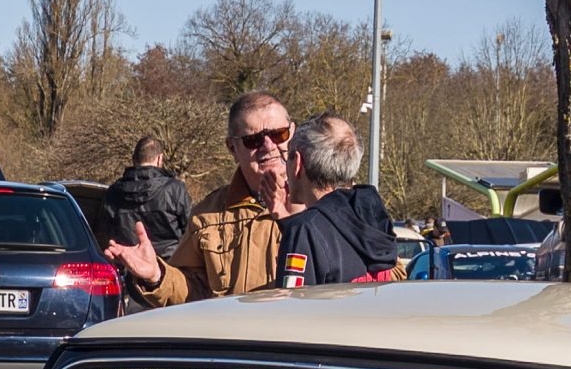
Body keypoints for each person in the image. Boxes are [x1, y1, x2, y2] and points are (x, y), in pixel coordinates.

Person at [106, 92, 299, 305]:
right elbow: (191, 292)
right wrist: (156, 276)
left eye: (279, 134)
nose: (268, 146)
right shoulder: (207, 216)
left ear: (293, 133)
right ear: (232, 148)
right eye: (253, 140)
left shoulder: (319, 205)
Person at [275, 115, 400, 286]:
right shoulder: (374, 219)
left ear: (297, 163)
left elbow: (292, 301)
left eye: (286, 158)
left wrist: (295, 231)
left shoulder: (304, 231)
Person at [103, 136, 190, 262]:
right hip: (169, 264)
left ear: (134, 159)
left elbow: (105, 232)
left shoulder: (114, 192)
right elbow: (191, 229)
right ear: (160, 159)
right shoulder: (175, 189)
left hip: (129, 264)